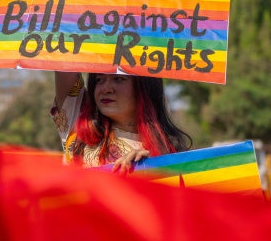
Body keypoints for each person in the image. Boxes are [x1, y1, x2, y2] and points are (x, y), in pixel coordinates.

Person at [50, 72, 192, 174]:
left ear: (144, 87)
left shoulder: (170, 156)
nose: (106, 88)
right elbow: (66, 54)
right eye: (99, 80)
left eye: (118, 79)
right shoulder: (80, 122)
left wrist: (147, 168)